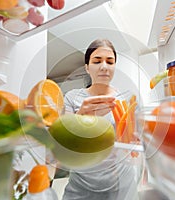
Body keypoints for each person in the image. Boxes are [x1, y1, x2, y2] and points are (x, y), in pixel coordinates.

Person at [62, 39, 139, 200]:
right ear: (87, 67)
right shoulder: (72, 98)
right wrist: (80, 120)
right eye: (97, 61)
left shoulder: (127, 100)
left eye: (110, 61)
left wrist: (137, 141)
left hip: (121, 185)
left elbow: (135, 141)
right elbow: (65, 145)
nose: (104, 66)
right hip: (82, 185)